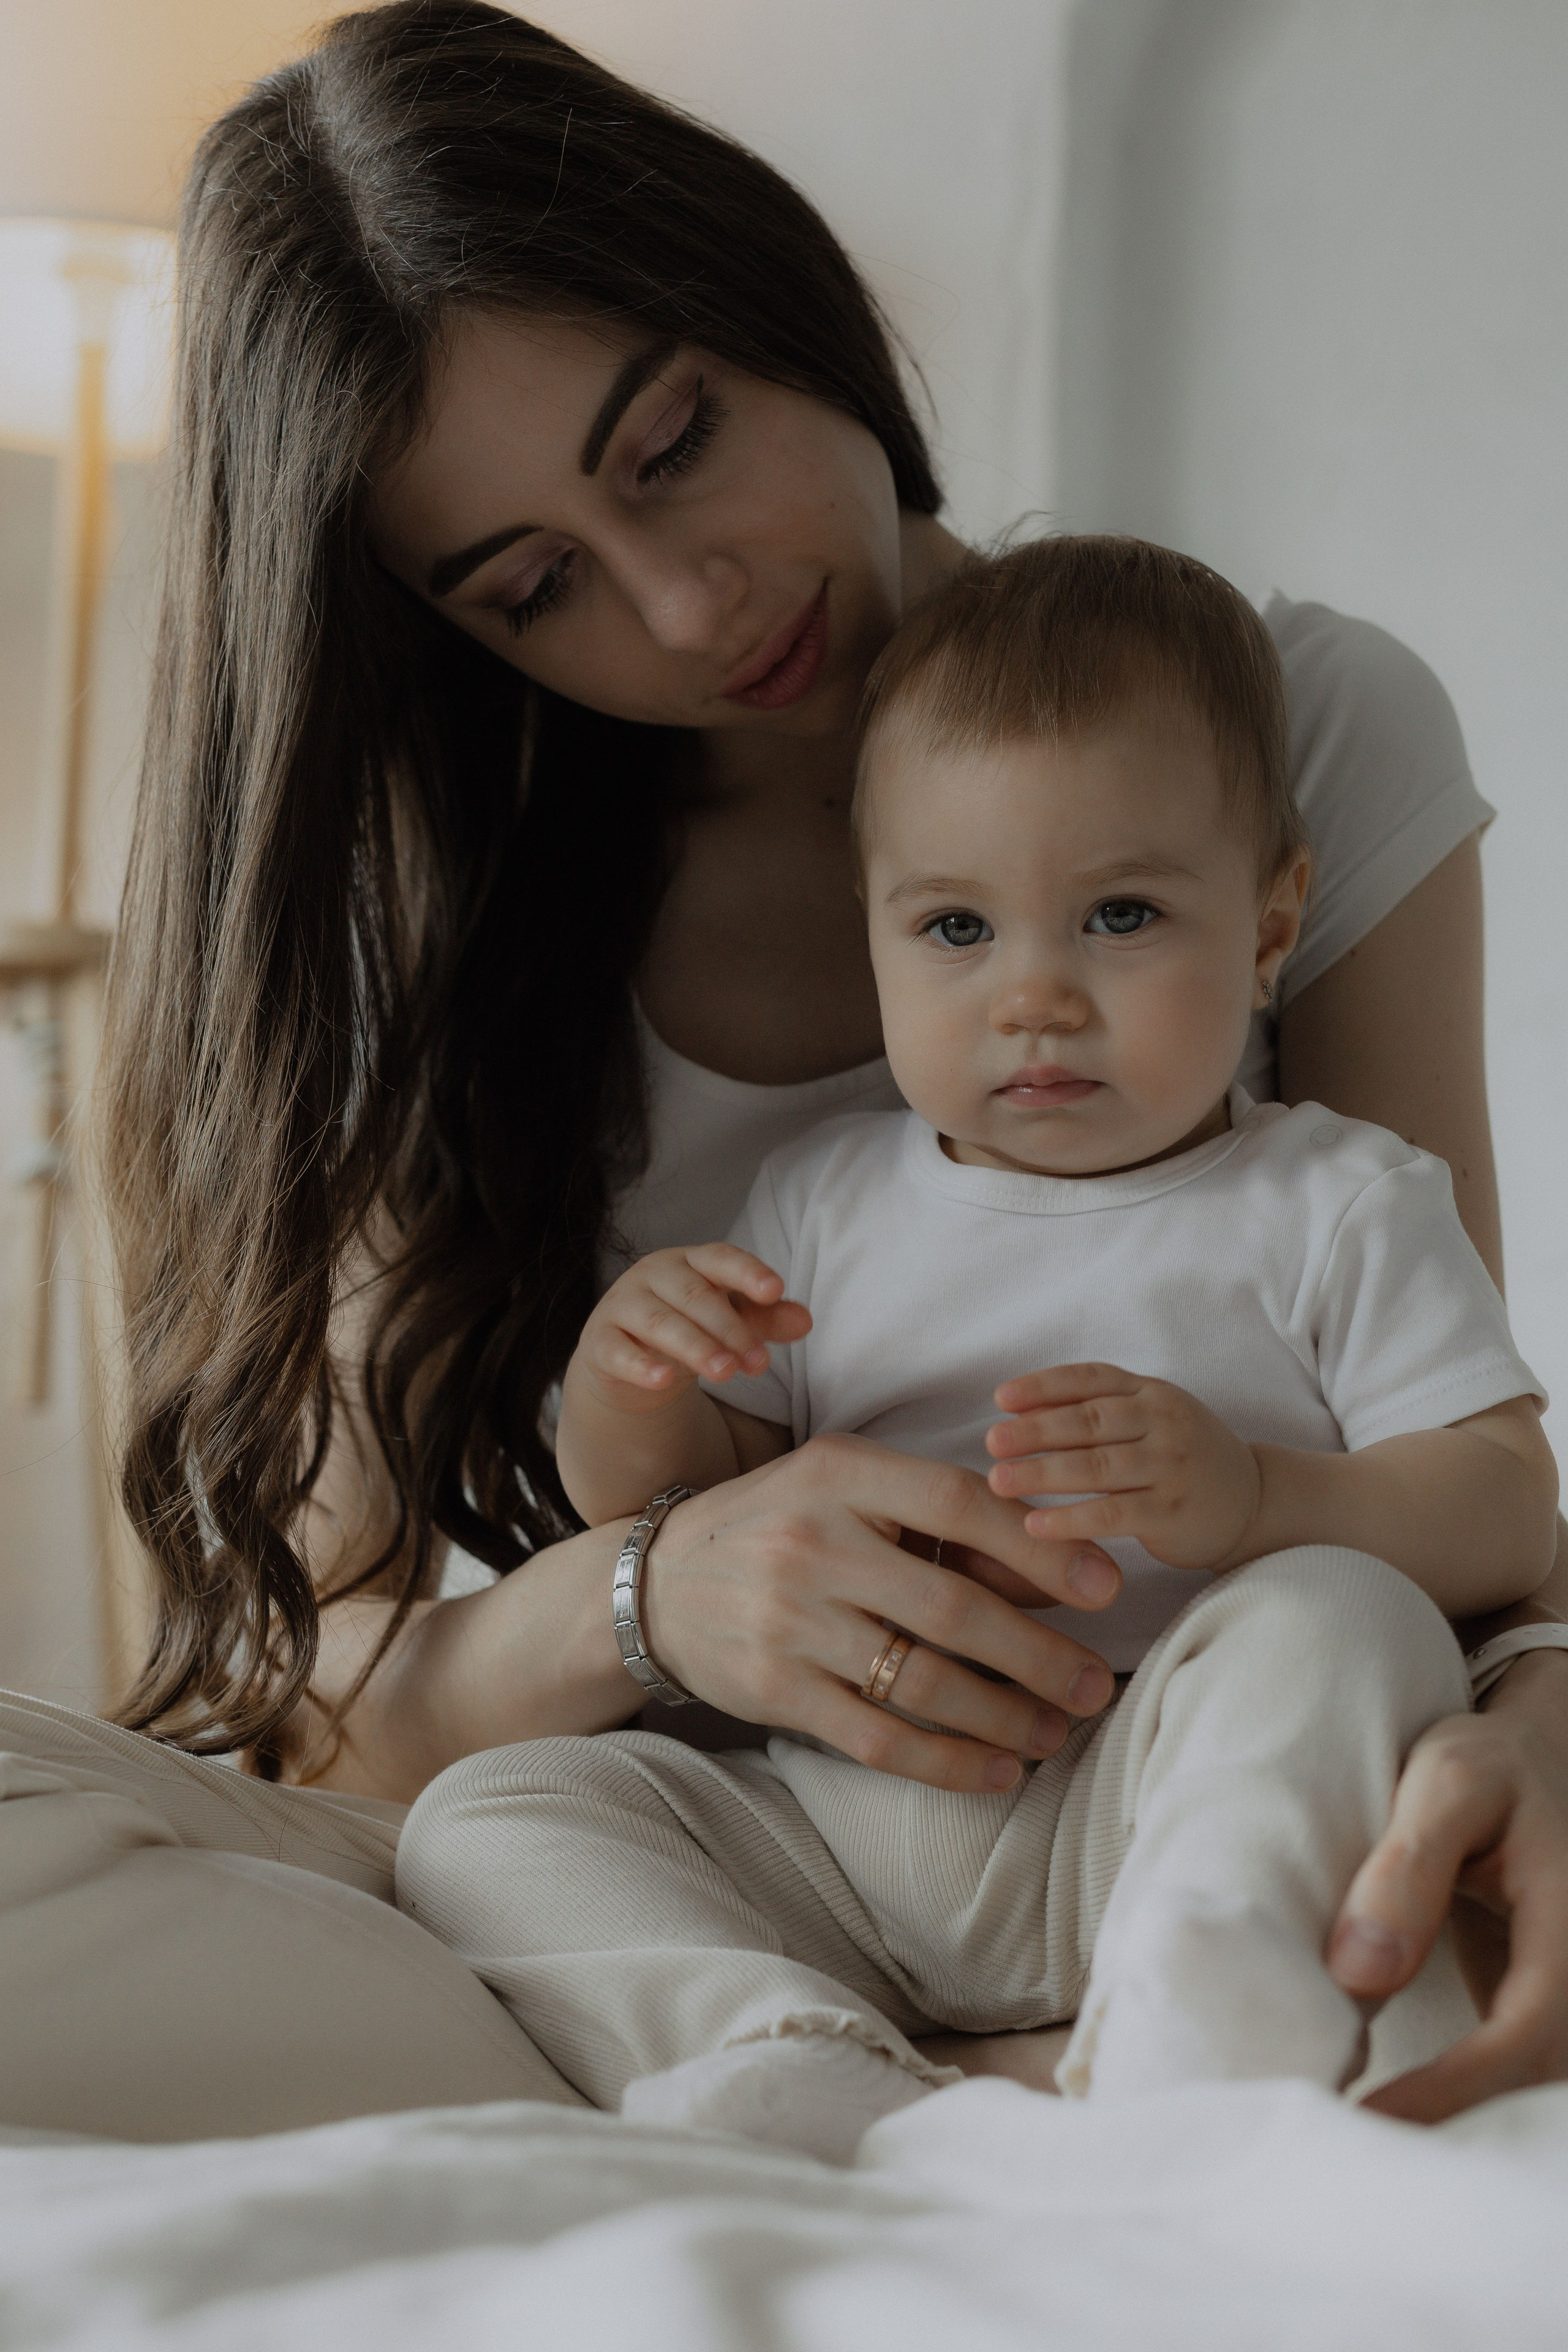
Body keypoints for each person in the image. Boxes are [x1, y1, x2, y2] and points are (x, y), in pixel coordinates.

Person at [7, 0, 1552, 2134]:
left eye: (674, 442)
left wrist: (1539, 1712)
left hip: (1195, 1787)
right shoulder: (434, 909)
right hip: (744, 1856)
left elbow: (1458, 1491)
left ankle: (1136, 2050)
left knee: (1342, 1670)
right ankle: (827, 2080)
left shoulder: (1289, 724)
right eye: (537, 583)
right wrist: (663, 1595)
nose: (689, 599)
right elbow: (325, 1713)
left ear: (773, 287)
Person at [393, 538, 1556, 2158]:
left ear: (1276, 922)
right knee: (494, 1814)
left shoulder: (1335, 1201)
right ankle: (785, 2056)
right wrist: (626, 1384)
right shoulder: (822, 1202)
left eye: (1123, 915)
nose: (1035, 999)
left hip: (1163, 1786)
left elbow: (1506, 1505)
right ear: (867, 928)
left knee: (1344, 1621)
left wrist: (1260, 1500)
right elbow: (667, 1507)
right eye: (955, 931)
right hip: (850, 1822)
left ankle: (1205, 1997)